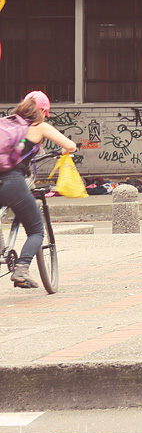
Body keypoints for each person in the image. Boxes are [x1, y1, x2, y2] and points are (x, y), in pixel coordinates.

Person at [2, 92, 76, 288]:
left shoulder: (5, 123)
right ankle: (22, 269)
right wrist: (65, 151)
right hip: (12, 182)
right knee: (36, 231)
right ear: (42, 111)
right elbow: (71, 145)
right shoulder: (39, 127)